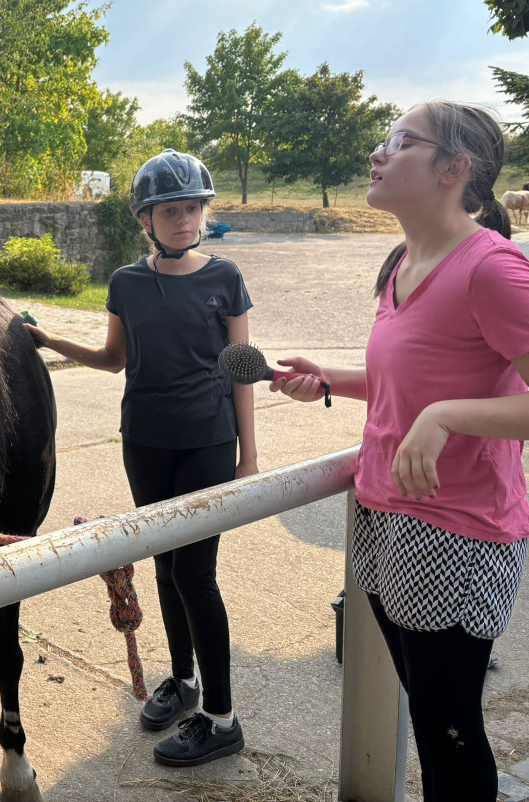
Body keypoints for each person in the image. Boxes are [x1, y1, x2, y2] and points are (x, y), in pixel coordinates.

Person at [272, 102, 529, 801]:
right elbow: (405, 379)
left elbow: (449, 400)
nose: (378, 155)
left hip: (457, 529)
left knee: (449, 727)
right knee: (426, 709)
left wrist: (447, 417)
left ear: (454, 169)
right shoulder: (404, 266)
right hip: (385, 514)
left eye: (401, 142)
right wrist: (327, 380)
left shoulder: (492, 269)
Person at [27, 149, 257, 767]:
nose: (184, 220)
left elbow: (241, 369)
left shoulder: (226, 278)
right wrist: (49, 339)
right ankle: (182, 682)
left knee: (195, 575)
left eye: (193, 208)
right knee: (161, 564)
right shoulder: (127, 283)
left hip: (209, 441)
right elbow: (114, 360)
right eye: (170, 211)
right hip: (145, 441)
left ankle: (222, 717)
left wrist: (249, 456)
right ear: (145, 221)